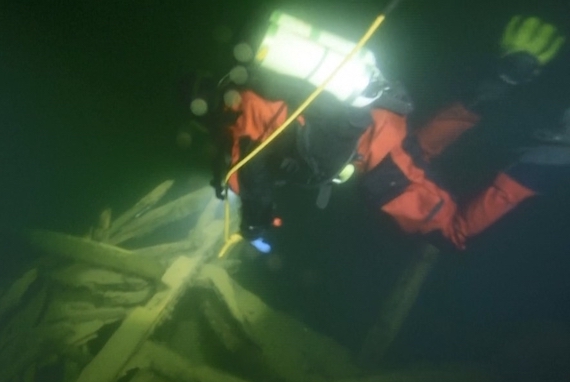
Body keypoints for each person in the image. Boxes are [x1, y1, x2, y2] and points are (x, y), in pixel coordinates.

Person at [188, 14, 567, 251]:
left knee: (453, 232)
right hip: (382, 112)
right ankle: (505, 77)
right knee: (419, 149)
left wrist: (256, 226)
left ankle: (548, 160)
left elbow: (249, 177)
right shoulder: (260, 84)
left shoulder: (238, 125)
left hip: (375, 159)